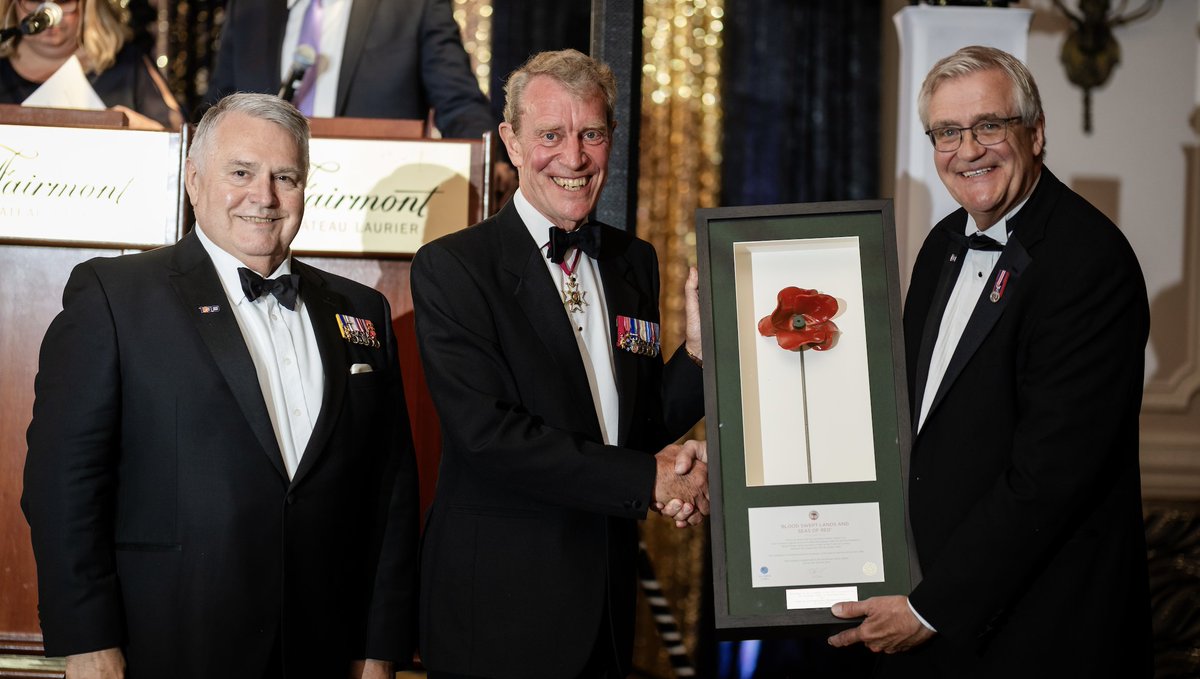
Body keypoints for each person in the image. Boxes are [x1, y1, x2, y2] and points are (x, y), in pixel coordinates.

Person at [22, 92, 418, 679]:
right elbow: (63, 485)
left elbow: (392, 493)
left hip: (324, 649)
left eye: (285, 176)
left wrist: (380, 647)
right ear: (193, 179)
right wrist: (87, 640)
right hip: (165, 644)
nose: (264, 196)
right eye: (241, 172)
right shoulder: (115, 295)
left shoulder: (361, 309)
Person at [828, 46, 1154, 677]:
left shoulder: (1089, 262)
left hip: (1040, 630)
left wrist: (930, 609)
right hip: (940, 615)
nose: (967, 149)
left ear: (1034, 133)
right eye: (947, 132)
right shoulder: (943, 243)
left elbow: (1052, 477)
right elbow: (913, 421)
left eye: (989, 126)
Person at [411, 49, 709, 679]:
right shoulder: (453, 268)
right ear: (512, 142)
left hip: (604, 602)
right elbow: (489, 437)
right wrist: (649, 481)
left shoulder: (635, 261)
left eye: (591, 134)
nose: (573, 158)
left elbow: (634, 425)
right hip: (496, 611)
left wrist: (700, 355)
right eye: (550, 135)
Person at [206, 0, 492, 138]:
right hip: (259, 210)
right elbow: (217, 110)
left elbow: (459, 105)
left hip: (371, 209)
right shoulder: (249, 9)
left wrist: (492, 164)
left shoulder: (413, 6)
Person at [0, 0, 182, 129]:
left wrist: (142, 130)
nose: (48, 11)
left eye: (63, 1)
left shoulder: (127, 62)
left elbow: (179, 135)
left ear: (87, 6)